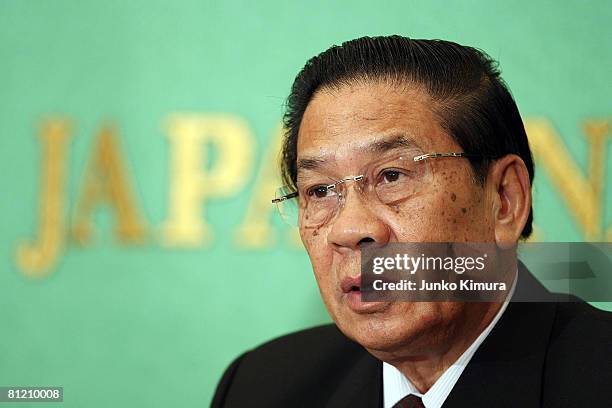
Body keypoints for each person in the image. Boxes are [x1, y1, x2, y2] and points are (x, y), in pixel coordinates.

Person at [211, 36, 612, 407]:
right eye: (320, 191)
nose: (349, 230)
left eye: (391, 176)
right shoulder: (261, 387)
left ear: (505, 200)